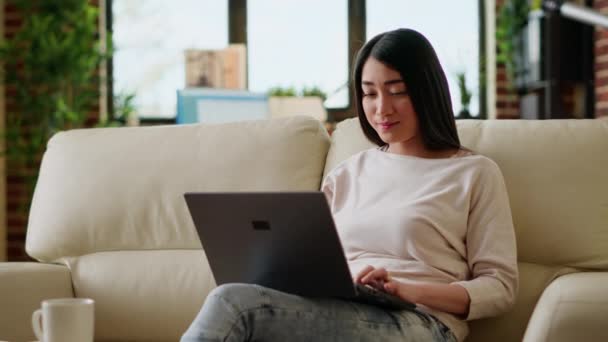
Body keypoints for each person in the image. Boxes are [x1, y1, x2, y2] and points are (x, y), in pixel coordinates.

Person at [181, 28, 518, 342]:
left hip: (421, 321)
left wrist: (404, 289)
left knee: (232, 304)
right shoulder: (349, 173)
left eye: (397, 91)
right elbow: (314, 259)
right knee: (240, 295)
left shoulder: (473, 173)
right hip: (340, 308)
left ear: (427, 91)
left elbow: (500, 287)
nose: (381, 108)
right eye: (369, 94)